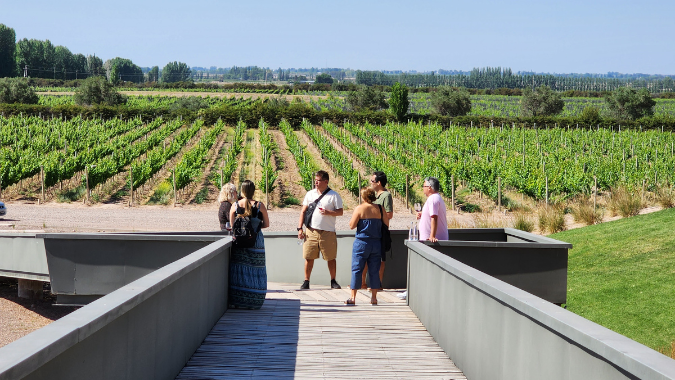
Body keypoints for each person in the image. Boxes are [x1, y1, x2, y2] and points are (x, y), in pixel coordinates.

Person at [228, 180, 270, 309]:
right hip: (256, 241)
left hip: (240, 242)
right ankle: (255, 301)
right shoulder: (259, 206)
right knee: (256, 270)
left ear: (242, 190)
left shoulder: (235, 205)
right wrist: (255, 226)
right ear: (253, 190)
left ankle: (239, 300)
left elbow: (231, 225)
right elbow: (267, 224)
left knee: (240, 269)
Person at [297, 170, 343, 290]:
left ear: (326, 181)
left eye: (318, 181)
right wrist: (300, 229)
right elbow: (303, 211)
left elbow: (340, 212)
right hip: (311, 231)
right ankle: (306, 281)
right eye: (315, 180)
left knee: (331, 258)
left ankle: (333, 281)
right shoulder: (310, 194)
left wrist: (329, 212)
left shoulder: (334, 195)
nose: (316, 183)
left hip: (328, 232)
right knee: (308, 257)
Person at [345, 188, 390, 305]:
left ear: (364, 197)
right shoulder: (380, 209)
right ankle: (374, 298)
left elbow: (351, 225)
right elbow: (386, 224)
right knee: (374, 270)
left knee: (357, 269)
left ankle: (353, 297)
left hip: (361, 242)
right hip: (376, 243)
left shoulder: (360, 208)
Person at [361, 171, 393, 289]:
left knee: (380, 260)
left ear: (379, 183)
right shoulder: (375, 196)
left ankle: (378, 284)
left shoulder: (386, 195)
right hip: (371, 232)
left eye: (372, 181)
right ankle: (362, 283)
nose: (370, 183)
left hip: (379, 233)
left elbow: (389, 214)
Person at [417, 177, 449, 242]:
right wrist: (423, 215)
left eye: (424, 186)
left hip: (432, 242)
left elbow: (434, 217)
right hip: (430, 241)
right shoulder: (435, 197)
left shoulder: (433, 199)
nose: (423, 188)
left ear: (429, 187)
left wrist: (432, 236)